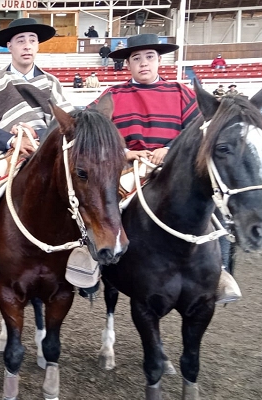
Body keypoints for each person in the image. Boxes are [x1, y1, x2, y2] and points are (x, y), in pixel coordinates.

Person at [86, 33, 240, 303]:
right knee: (104, 202)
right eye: (136, 58)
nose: (143, 63)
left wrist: (169, 150)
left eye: (149, 57)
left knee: (214, 205)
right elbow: (93, 132)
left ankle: (223, 272)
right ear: (129, 64)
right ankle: (92, 265)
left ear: (159, 61)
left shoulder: (182, 92)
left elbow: (199, 133)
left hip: (177, 166)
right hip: (128, 166)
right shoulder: (112, 95)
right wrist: (126, 152)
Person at [0, 18, 76, 303]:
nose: (27, 46)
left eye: (32, 40)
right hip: (6, 151)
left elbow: (67, 123)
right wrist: (11, 140)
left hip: (47, 152)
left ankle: (80, 262)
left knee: (78, 191)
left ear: (38, 46)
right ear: (9, 45)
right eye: (21, 40)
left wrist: (40, 141)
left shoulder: (52, 82)